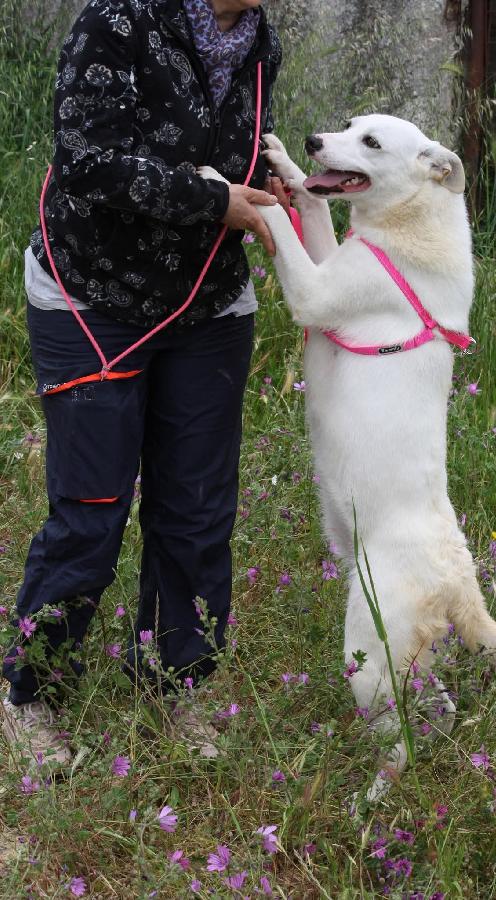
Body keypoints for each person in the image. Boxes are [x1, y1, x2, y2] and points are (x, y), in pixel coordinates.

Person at [2, 0, 284, 766]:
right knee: (92, 509)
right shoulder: (119, 19)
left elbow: (237, 158)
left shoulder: (259, 42)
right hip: (92, 290)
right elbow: (86, 160)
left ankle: (176, 685)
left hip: (210, 302)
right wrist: (212, 199)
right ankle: (35, 693)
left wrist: (270, 187)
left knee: (195, 512)